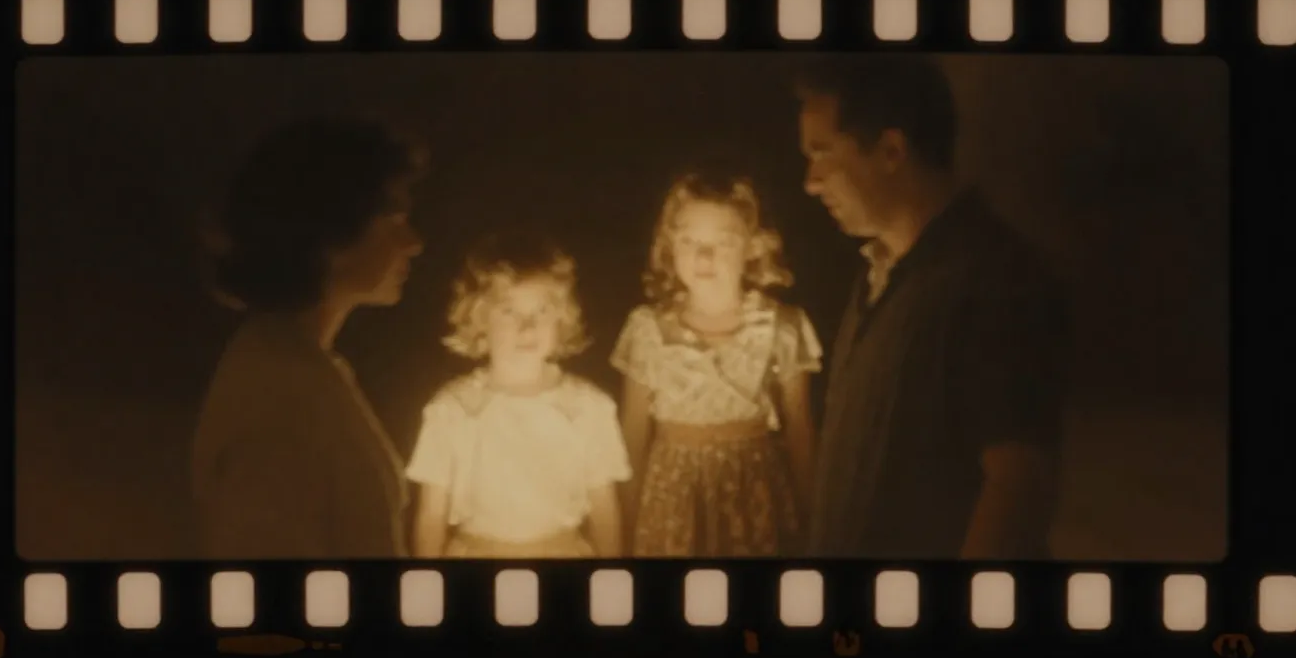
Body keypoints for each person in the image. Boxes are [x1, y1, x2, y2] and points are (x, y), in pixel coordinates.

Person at [796, 55, 1069, 560]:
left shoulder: (995, 280)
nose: (811, 181)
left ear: (891, 151)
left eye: (822, 153)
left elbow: (1018, 481)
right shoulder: (879, 273)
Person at [190, 117, 426, 560]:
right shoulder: (278, 403)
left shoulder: (303, 367)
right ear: (332, 234)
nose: (413, 242)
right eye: (393, 219)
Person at [611, 167, 822, 557]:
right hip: (672, 507)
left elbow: (800, 433)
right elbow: (632, 438)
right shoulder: (648, 329)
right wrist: (624, 533)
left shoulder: (780, 326)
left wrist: (815, 523)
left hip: (754, 501)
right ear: (669, 246)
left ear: (753, 247)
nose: (703, 256)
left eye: (722, 243)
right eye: (689, 241)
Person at [407, 229, 631, 558]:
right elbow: (430, 517)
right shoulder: (452, 409)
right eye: (509, 311)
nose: (527, 327)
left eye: (542, 311)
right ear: (479, 318)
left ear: (562, 317)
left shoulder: (588, 408)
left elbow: (605, 513)